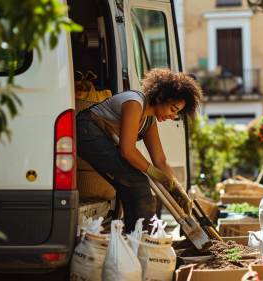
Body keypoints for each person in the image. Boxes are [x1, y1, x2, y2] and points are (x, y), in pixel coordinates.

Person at [76, 68, 202, 232]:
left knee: (131, 184)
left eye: (176, 112)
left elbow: (160, 160)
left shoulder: (149, 120)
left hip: (99, 133)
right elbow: (127, 151)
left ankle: (133, 241)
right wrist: (154, 173)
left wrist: (176, 188)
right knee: (138, 182)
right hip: (87, 130)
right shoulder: (134, 103)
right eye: (173, 108)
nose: (172, 116)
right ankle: (144, 240)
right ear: (161, 96)